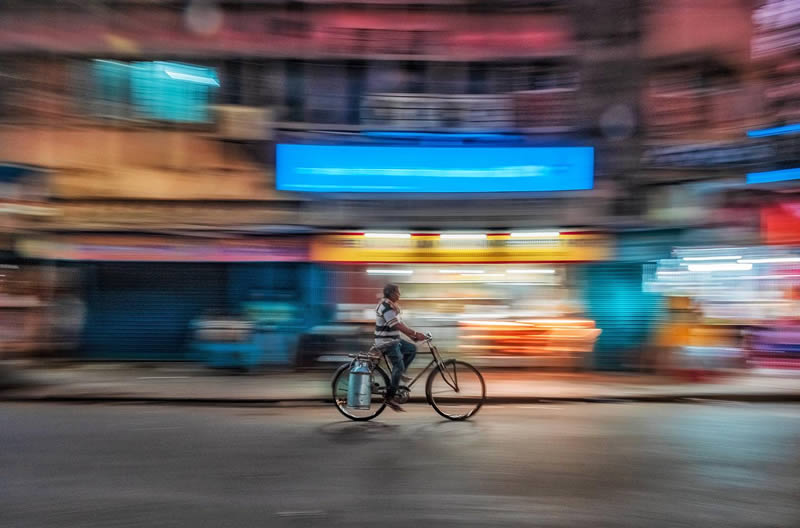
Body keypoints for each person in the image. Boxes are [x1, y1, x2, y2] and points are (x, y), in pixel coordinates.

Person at [375, 283, 426, 412]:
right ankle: (390, 397)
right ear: (391, 293)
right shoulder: (386, 306)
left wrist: (412, 335)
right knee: (399, 366)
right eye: (398, 292)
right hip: (386, 342)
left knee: (411, 349)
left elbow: (400, 323)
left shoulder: (392, 306)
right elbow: (396, 325)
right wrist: (414, 333)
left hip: (394, 340)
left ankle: (398, 374)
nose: (400, 294)